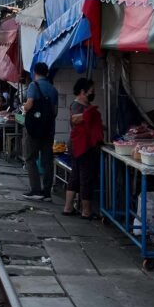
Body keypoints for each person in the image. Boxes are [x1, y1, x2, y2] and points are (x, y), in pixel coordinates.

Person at [62, 77, 103, 219]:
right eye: (91, 91)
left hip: (79, 146)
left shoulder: (83, 106)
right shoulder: (77, 106)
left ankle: (68, 207)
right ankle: (86, 211)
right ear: (82, 91)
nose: (93, 93)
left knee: (76, 176)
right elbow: (75, 119)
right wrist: (89, 115)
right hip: (82, 146)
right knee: (85, 178)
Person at [21, 62, 59, 202]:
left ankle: (36, 190)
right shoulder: (53, 89)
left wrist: (24, 108)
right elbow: (55, 111)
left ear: (34, 72)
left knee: (30, 158)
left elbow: (30, 103)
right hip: (48, 130)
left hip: (33, 130)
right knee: (47, 161)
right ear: (47, 73)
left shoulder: (33, 85)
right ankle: (47, 192)